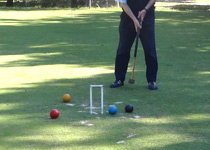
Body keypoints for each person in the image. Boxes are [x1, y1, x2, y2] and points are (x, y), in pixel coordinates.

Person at [110, 0, 158, 90]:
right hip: (128, 17)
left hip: (147, 16)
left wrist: (145, 10)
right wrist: (135, 20)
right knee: (123, 49)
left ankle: (152, 81)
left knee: (150, 50)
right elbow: (123, 4)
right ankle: (119, 79)